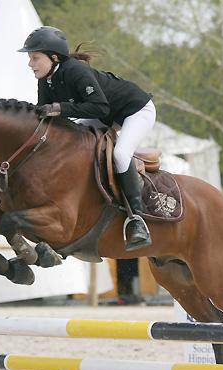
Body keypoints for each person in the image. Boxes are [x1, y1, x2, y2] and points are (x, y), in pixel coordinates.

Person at [18, 26, 155, 251]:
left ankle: (137, 220)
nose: (30, 64)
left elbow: (100, 107)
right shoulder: (46, 80)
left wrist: (59, 108)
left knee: (120, 154)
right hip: (106, 116)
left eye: (34, 58)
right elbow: (45, 116)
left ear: (53, 57)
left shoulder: (75, 71)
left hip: (134, 111)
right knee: (73, 142)